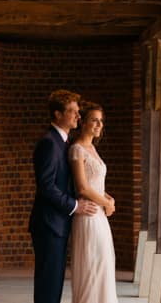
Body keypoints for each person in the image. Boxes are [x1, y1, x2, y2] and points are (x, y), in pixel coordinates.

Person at [30, 89, 100, 303]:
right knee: (48, 286)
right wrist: (74, 206)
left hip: (57, 224)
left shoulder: (65, 142)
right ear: (58, 115)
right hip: (49, 224)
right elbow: (47, 186)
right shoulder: (49, 143)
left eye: (78, 112)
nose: (78, 116)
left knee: (54, 284)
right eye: (72, 111)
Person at [68, 101, 118, 303]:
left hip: (99, 215)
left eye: (101, 121)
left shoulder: (91, 148)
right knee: (92, 269)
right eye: (94, 120)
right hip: (88, 215)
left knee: (103, 265)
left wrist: (108, 198)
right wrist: (105, 204)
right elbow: (82, 187)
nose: (99, 125)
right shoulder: (77, 150)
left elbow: (95, 184)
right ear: (83, 122)